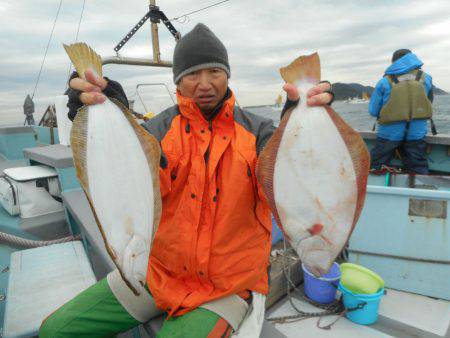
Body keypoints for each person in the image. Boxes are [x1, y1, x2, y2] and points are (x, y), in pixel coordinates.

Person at [40, 23, 334, 337]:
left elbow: (283, 183)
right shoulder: (156, 131)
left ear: (228, 75)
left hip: (225, 287)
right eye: (193, 74)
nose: (204, 84)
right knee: (55, 331)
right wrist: (113, 112)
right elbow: (129, 176)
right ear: (178, 80)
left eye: (214, 72)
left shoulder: (259, 132)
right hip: (155, 274)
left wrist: (294, 130)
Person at [369, 49, 434, 174]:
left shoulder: (384, 81)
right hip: (417, 132)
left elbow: (373, 110)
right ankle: (418, 187)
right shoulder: (426, 78)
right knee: (417, 165)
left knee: (377, 164)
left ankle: (378, 182)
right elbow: (429, 101)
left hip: (389, 133)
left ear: (393, 62)